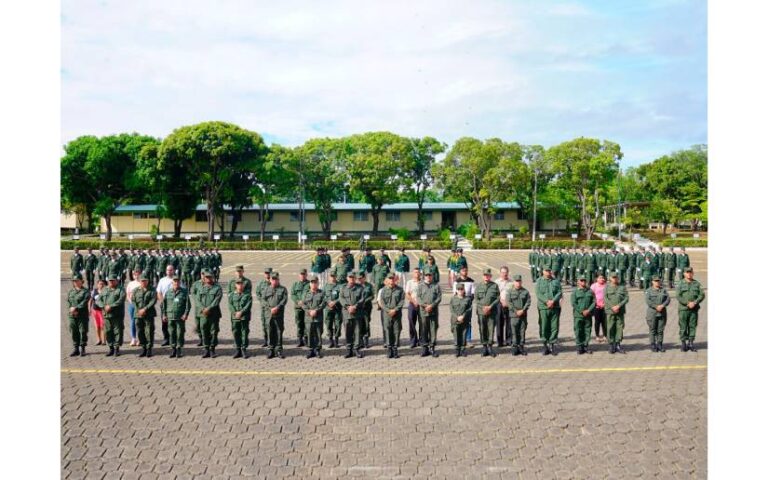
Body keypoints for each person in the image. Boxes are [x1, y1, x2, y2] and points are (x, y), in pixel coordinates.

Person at [161, 275, 191, 358]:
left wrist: (186, 314)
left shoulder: (184, 292)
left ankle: (179, 349)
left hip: (180, 317)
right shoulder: (168, 292)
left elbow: (188, 305)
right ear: (172, 282)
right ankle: (173, 349)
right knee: (171, 333)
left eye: (178, 281)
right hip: (170, 317)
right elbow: (164, 305)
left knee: (180, 333)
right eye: (174, 281)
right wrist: (164, 314)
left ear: (180, 282)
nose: (176, 283)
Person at [676, 267, 705, 352]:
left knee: (692, 326)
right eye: (687, 272)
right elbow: (678, 295)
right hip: (683, 309)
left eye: (690, 272)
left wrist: (695, 302)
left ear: (693, 273)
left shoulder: (696, 283)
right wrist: (688, 303)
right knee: (683, 326)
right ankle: (683, 343)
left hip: (694, 309)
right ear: (684, 273)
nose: (689, 274)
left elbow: (702, 295)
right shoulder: (680, 283)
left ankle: (691, 343)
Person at [535, 267, 562, 356]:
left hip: (555, 307)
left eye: (549, 271)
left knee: (554, 326)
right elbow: (538, 293)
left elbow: (559, 292)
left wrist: (553, 301)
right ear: (543, 271)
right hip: (543, 307)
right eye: (546, 271)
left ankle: (552, 345)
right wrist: (547, 301)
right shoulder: (539, 281)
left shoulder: (556, 281)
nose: (548, 272)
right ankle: (545, 345)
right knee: (544, 326)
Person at [416, 268, 442, 357]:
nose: (428, 277)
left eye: (430, 275)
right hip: (423, 312)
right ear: (424, 276)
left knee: (433, 330)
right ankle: (424, 348)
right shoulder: (420, 286)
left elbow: (439, 297)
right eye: (426, 275)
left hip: (433, 312)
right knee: (424, 329)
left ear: (432, 276)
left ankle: (432, 348)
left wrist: (432, 305)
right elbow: (418, 298)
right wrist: (425, 306)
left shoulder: (436, 286)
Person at [475, 268, 501, 357]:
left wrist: (490, 306)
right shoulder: (478, 286)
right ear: (483, 276)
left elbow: (498, 298)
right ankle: (484, 347)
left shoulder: (495, 286)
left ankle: (490, 347)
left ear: (490, 276)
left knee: (491, 329)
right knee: (482, 329)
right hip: (481, 311)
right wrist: (483, 307)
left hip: (492, 311)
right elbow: (476, 299)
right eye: (485, 275)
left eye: (488, 275)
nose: (486, 277)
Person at [340, 272, 365, 358]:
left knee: (357, 332)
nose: (351, 279)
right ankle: (349, 350)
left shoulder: (360, 288)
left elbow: (362, 299)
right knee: (348, 332)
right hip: (347, 313)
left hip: (357, 313)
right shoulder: (343, 288)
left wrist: (355, 307)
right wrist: (348, 307)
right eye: (350, 277)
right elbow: (341, 298)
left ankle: (357, 349)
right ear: (347, 278)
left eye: (353, 277)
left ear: (355, 278)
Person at [263, 271, 288, 359]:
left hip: (279, 314)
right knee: (270, 331)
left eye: (276, 279)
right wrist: (270, 309)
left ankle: (279, 350)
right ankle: (271, 350)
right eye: (273, 279)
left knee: (279, 332)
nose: (274, 281)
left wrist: (277, 307)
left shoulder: (283, 289)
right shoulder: (266, 289)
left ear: (278, 280)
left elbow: (284, 300)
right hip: (268, 315)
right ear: (270, 280)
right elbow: (263, 301)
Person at [198, 270, 223, 358]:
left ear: (212, 278)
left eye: (210, 277)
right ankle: (206, 349)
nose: (208, 279)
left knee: (214, 331)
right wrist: (203, 309)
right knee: (204, 331)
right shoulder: (201, 288)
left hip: (214, 314)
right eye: (206, 277)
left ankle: (212, 349)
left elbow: (217, 300)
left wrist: (208, 308)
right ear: (204, 278)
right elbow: (197, 300)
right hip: (203, 314)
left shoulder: (217, 288)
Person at [379, 273, 405, 359]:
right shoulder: (383, 290)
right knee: (388, 331)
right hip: (387, 314)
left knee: (396, 331)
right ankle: (389, 349)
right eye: (389, 279)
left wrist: (395, 310)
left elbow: (401, 301)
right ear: (387, 280)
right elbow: (382, 302)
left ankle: (395, 349)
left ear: (395, 280)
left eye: (392, 279)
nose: (391, 280)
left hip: (396, 314)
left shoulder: (400, 290)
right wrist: (388, 310)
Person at [132, 273, 157, 357]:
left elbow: (153, 301)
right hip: (138, 314)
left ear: (148, 281)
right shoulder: (136, 290)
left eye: (145, 281)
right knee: (140, 331)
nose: (144, 282)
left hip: (148, 314)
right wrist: (139, 310)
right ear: (139, 281)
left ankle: (149, 348)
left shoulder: (152, 289)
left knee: (149, 331)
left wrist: (145, 309)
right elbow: (133, 301)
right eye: (142, 281)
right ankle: (143, 348)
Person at [302, 274, 326, 358]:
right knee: (309, 334)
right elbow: (303, 304)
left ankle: (318, 350)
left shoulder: (322, 293)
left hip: (318, 318)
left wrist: (316, 310)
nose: (313, 284)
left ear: (318, 283)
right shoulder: (306, 293)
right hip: (308, 318)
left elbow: (323, 303)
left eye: (315, 282)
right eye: (312, 283)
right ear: (310, 284)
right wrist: (309, 311)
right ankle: (310, 350)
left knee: (318, 334)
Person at [605, 272, 629, 354]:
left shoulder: (622, 287)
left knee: (620, 327)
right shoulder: (607, 287)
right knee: (610, 327)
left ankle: (618, 344)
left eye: (616, 277)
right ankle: (611, 344)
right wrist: (612, 307)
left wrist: (618, 306)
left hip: (620, 310)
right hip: (610, 310)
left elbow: (626, 298)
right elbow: (605, 298)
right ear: (610, 278)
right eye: (613, 277)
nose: (614, 279)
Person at [571, 275, 596, 355]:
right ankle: (579, 346)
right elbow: (573, 303)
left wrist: (588, 310)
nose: (583, 282)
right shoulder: (575, 292)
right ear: (578, 282)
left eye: (584, 280)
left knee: (587, 330)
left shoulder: (590, 291)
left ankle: (585, 346)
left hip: (588, 314)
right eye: (581, 280)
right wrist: (582, 311)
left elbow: (594, 301)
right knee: (578, 330)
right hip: (578, 315)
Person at [102, 275, 126, 357]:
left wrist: (110, 306)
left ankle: (116, 349)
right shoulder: (105, 289)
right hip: (107, 315)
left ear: (117, 281)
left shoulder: (121, 289)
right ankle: (111, 348)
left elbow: (121, 300)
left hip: (117, 315)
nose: (111, 282)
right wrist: (104, 306)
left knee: (117, 332)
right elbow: (98, 300)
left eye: (113, 280)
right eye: (110, 280)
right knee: (108, 332)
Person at [645, 276, 670, 353]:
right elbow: (648, 301)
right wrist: (656, 306)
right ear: (652, 282)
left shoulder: (663, 290)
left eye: (658, 281)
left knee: (660, 330)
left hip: (662, 312)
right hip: (652, 313)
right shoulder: (648, 291)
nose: (657, 282)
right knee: (652, 329)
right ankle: (653, 344)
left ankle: (660, 344)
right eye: (655, 281)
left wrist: (662, 305)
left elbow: (668, 299)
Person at [229, 278, 253, 358]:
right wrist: (235, 313)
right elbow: (230, 305)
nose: (240, 285)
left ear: (243, 285)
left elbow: (248, 305)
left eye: (241, 284)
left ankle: (244, 349)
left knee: (244, 333)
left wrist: (241, 312)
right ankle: (237, 349)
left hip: (244, 317)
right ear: (235, 285)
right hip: (235, 317)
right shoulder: (232, 295)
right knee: (236, 332)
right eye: (238, 284)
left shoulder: (248, 295)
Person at [507, 274, 531, 356]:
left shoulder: (525, 291)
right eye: (516, 281)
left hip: (523, 315)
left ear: (521, 282)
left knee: (522, 331)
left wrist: (523, 310)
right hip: (514, 315)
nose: (518, 283)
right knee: (514, 331)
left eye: (519, 281)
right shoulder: (510, 292)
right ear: (514, 282)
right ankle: (515, 347)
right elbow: (509, 303)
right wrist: (516, 311)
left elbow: (528, 302)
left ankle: (521, 347)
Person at [67, 274, 90, 357]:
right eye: (74, 281)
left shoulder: (86, 291)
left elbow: (84, 302)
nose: (75, 282)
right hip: (72, 315)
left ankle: (83, 348)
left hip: (82, 315)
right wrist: (71, 309)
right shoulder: (71, 291)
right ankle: (76, 348)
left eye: (77, 281)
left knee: (83, 331)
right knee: (74, 331)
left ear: (81, 281)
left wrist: (76, 308)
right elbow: (68, 302)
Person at [453, 266, 475, 346]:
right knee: (458, 321)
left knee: (468, 322)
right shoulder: (456, 282)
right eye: (463, 271)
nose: (465, 272)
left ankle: (468, 339)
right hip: (458, 305)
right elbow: (455, 294)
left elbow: (473, 294)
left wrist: (468, 302)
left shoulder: (471, 281)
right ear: (460, 272)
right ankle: (458, 339)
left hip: (467, 304)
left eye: (466, 271)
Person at [155, 265, 176, 346]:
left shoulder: (177, 279)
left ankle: (174, 338)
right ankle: (166, 338)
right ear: (166, 271)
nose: (169, 271)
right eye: (168, 270)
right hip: (164, 304)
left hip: (174, 304)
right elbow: (159, 292)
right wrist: (162, 302)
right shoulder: (162, 280)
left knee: (174, 322)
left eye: (171, 270)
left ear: (173, 270)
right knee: (164, 322)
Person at [450, 282, 472, 357]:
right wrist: (457, 317)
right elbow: (451, 309)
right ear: (456, 290)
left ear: (464, 290)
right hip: (455, 320)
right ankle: (457, 350)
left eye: (461, 289)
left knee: (463, 335)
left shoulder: (467, 299)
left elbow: (469, 309)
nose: (460, 291)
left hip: (464, 320)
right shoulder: (453, 299)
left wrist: (463, 316)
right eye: (458, 289)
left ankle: (462, 350)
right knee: (456, 335)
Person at [290, 269, 310, 347]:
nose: (302, 276)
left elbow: (310, 293)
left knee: (306, 323)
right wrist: (298, 301)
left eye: (304, 274)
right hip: (298, 307)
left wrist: (303, 301)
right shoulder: (295, 284)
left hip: (306, 307)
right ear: (299, 275)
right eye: (301, 274)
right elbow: (292, 294)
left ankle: (306, 338)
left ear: (306, 275)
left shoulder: (309, 284)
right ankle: (300, 339)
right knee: (299, 323)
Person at [495, 266, 513, 347]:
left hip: (509, 304)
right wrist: (501, 301)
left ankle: (509, 340)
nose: (504, 274)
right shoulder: (496, 282)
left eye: (505, 272)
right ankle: (500, 341)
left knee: (509, 323)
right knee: (499, 322)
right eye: (502, 272)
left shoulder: (511, 282)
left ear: (508, 273)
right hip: (499, 303)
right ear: (500, 273)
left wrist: (508, 302)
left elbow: (513, 293)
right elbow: (495, 294)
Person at [255, 268, 273, 348]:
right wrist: (262, 301)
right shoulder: (261, 283)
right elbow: (258, 293)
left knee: (272, 324)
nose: (267, 274)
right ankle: (266, 340)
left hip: (272, 307)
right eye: (266, 273)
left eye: (269, 273)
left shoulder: (273, 282)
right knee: (264, 323)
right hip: (264, 307)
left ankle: (272, 340)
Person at [324, 272, 342, 348]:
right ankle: (331, 340)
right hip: (328, 308)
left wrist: (335, 302)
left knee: (337, 324)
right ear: (329, 277)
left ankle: (336, 340)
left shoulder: (340, 286)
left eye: (334, 276)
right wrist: (328, 302)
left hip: (337, 308)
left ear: (336, 277)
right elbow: (323, 296)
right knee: (328, 324)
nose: (332, 278)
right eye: (331, 276)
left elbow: (341, 296)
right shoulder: (326, 286)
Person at [404, 269, 422, 348]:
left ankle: (422, 340)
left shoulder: (423, 282)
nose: (417, 274)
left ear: (420, 274)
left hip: (422, 305)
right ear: (413, 274)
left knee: (423, 323)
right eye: (415, 272)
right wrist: (414, 301)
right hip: (412, 304)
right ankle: (413, 340)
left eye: (418, 272)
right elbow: (407, 294)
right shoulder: (409, 282)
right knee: (411, 321)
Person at [357, 271, 375, 349]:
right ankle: (360, 340)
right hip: (358, 308)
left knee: (366, 323)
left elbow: (372, 296)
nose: (359, 280)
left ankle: (366, 339)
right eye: (358, 279)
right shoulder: (356, 286)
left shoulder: (369, 286)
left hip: (367, 307)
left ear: (364, 278)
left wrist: (366, 300)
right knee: (359, 323)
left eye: (361, 278)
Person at [125, 270, 142, 347]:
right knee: (133, 321)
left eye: (137, 273)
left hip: (140, 305)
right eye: (134, 274)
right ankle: (133, 338)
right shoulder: (130, 283)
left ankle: (140, 338)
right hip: (132, 305)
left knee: (140, 322)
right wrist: (131, 302)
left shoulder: (142, 282)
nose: (136, 275)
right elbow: (127, 294)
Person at [590, 274, 608, 343]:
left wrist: (605, 304)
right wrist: (596, 303)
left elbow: (608, 296)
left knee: (604, 322)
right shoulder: (593, 286)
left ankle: (605, 335)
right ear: (597, 279)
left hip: (604, 306)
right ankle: (597, 336)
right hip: (596, 306)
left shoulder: (606, 286)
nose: (602, 279)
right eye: (600, 278)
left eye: (603, 278)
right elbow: (591, 296)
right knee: (597, 322)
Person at [89, 279, 106, 346]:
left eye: (102, 284)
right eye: (100, 284)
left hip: (102, 311)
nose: (101, 285)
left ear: (104, 285)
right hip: (95, 311)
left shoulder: (106, 292)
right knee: (97, 326)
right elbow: (90, 300)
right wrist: (89, 309)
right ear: (97, 284)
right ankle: (99, 339)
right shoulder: (94, 291)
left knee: (103, 326)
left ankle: (104, 340)